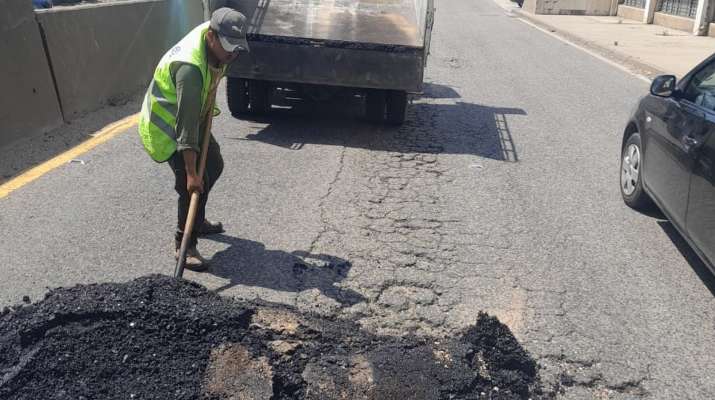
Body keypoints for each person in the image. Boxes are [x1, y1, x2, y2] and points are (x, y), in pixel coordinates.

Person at [138, 8, 250, 271]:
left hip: (192, 116)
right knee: (193, 185)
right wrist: (191, 174)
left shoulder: (216, 45)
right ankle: (184, 244)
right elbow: (185, 130)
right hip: (168, 127)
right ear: (211, 37)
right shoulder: (190, 70)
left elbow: (219, 64)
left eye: (237, 49)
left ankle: (196, 219)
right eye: (228, 48)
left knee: (214, 166)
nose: (232, 54)